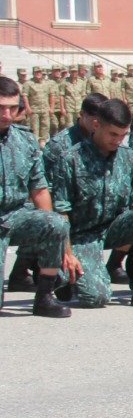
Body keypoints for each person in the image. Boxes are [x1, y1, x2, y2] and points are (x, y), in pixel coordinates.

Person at [43, 98, 133, 309]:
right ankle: (64, 274)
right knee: (97, 297)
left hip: (113, 228)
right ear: (96, 125)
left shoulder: (129, 159)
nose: (118, 141)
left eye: (123, 135)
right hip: (82, 235)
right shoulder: (71, 159)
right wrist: (68, 253)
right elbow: (61, 211)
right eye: (113, 134)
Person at [0, 76, 74, 317]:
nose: (8, 115)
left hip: (15, 215)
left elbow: (39, 189)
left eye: (13, 107)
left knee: (54, 222)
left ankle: (44, 297)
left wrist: (58, 239)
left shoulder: (25, 139)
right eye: (1, 108)